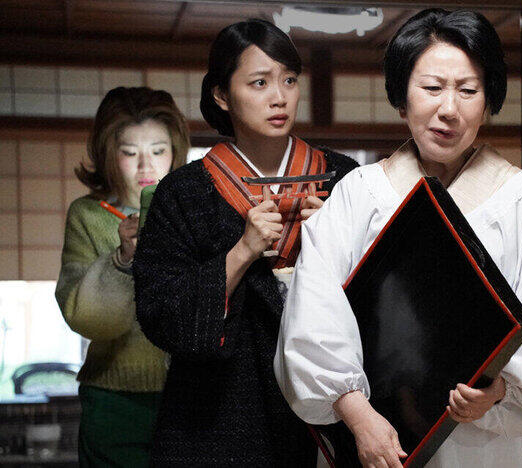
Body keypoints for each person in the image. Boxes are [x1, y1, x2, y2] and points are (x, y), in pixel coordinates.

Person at [275, 9, 522, 468]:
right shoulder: (360, 193)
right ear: (402, 98)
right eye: (432, 88)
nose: (449, 109)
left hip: (481, 441)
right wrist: (358, 417)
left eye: (468, 90)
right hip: (370, 436)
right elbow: (313, 312)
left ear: (488, 101)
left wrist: (498, 391)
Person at [133, 19, 358, 466]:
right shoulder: (183, 192)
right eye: (259, 83)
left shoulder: (344, 178)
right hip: (216, 415)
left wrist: (337, 243)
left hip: (329, 404)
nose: (280, 97)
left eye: (289, 80)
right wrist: (242, 251)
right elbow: (160, 315)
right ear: (221, 95)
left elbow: (381, 297)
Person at [55, 86, 189, 466]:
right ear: (107, 153)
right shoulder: (88, 215)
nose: (146, 166)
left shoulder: (192, 210)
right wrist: (122, 258)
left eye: (159, 151)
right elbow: (88, 320)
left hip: (191, 394)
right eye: (130, 153)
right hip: (114, 399)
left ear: (175, 151)